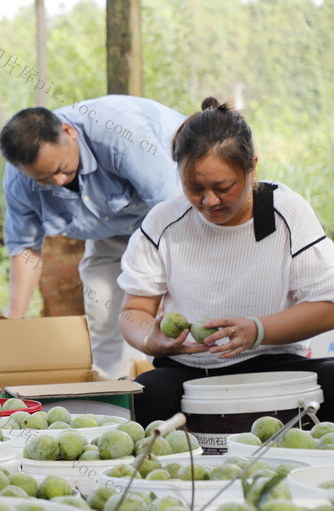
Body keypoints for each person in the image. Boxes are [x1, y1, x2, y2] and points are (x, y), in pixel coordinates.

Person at [118, 97, 334, 425]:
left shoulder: (285, 213)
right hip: (190, 373)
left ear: (252, 168)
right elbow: (134, 311)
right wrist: (152, 339)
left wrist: (258, 330)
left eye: (223, 187)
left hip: (274, 367)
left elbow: (327, 305)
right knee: (148, 391)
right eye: (194, 188)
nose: (209, 201)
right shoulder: (164, 223)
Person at [0, 95, 186, 379]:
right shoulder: (19, 180)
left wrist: (162, 287)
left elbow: (174, 215)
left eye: (61, 169)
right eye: (44, 179)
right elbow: (26, 249)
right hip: (111, 229)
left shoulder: (120, 137)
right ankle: (116, 397)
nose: (58, 182)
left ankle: (170, 380)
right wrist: (15, 319)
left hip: (173, 217)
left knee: (166, 313)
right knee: (102, 309)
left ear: (68, 131)